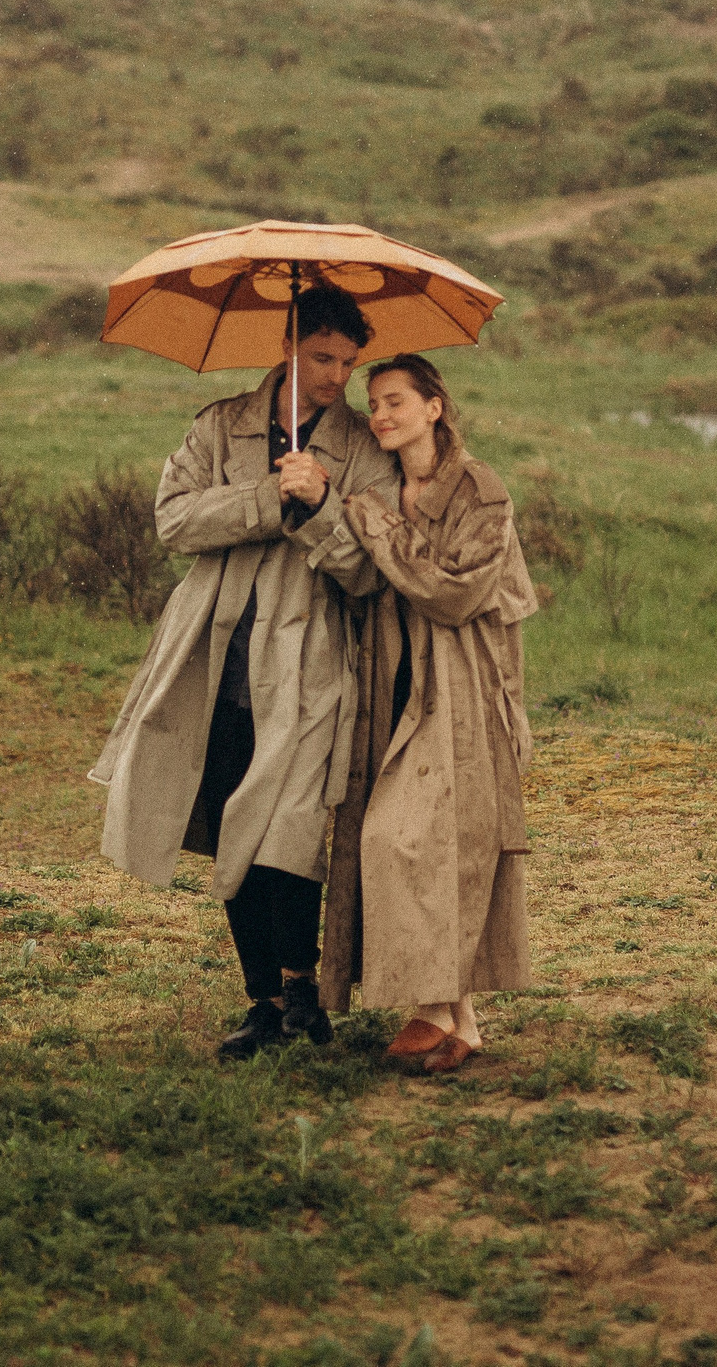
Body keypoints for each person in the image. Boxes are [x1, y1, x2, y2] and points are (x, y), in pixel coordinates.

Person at [88, 284, 397, 1059]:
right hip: (210, 655)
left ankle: (305, 993)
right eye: (322, 357)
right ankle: (261, 1000)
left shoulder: (363, 448)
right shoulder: (220, 425)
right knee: (230, 817)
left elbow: (369, 571)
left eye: (349, 362)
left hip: (310, 660)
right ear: (287, 345)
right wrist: (268, 496)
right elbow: (174, 521)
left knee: (287, 826)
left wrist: (322, 504)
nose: (336, 375)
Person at [316, 354, 539, 1075]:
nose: (380, 415)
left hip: (466, 683)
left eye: (395, 401)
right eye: (373, 403)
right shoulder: (382, 484)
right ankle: (461, 1024)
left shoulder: (481, 490)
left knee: (404, 838)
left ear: (433, 408)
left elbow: (451, 592)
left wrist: (375, 525)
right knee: (436, 842)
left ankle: (429, 1008)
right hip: (396, 676)